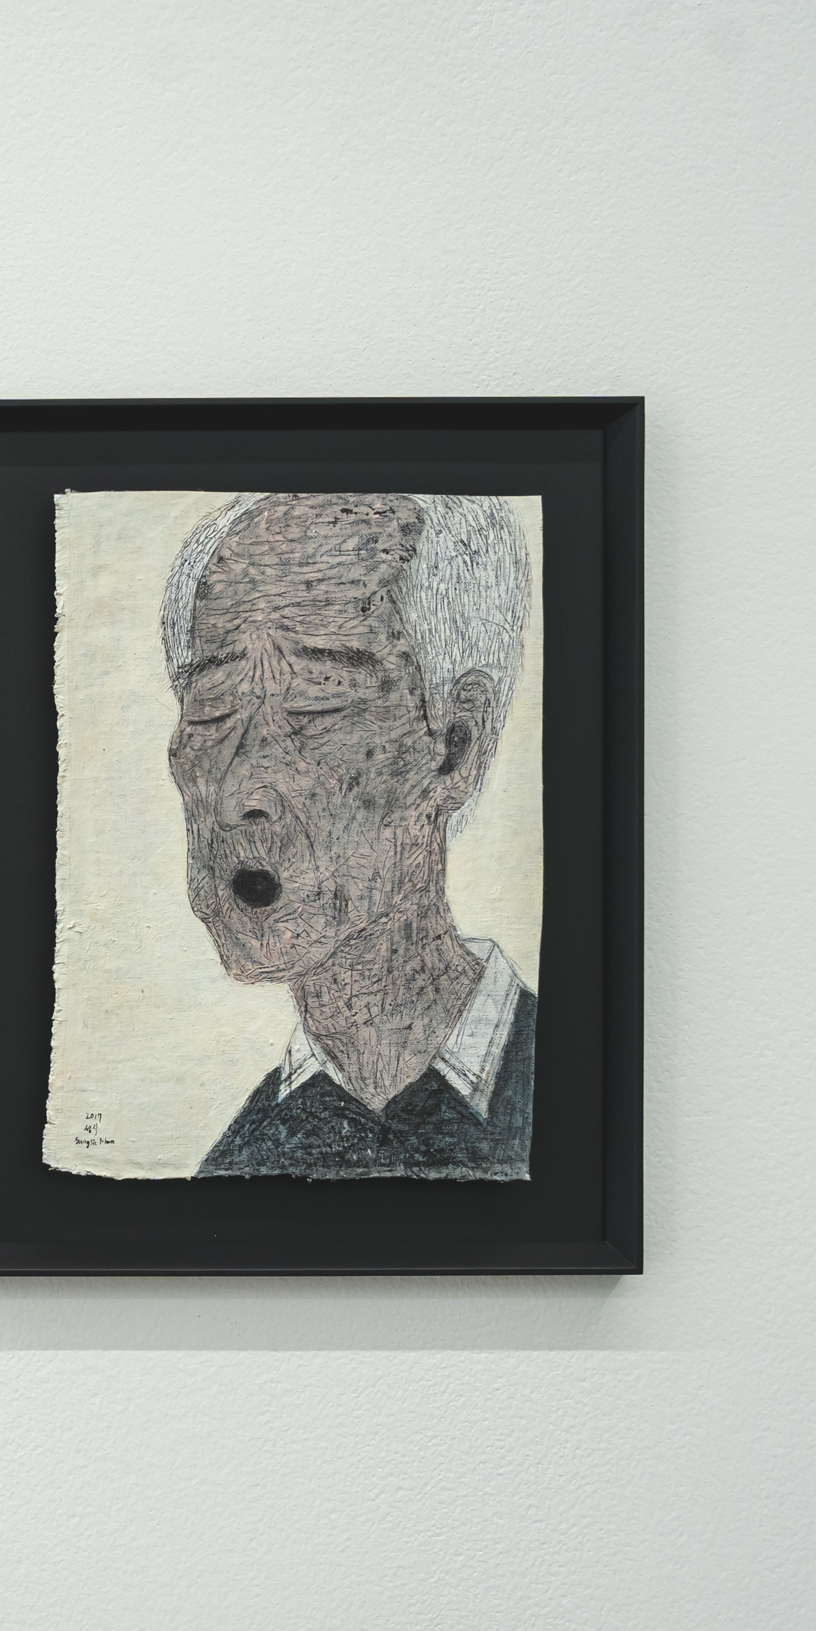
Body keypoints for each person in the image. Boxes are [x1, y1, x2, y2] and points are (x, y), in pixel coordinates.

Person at [162, 492, 536, 1179]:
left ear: (455, 747)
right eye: (211, 711)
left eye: (318, 702)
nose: (242, 790)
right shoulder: (233, 1174)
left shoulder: (581, 1096)